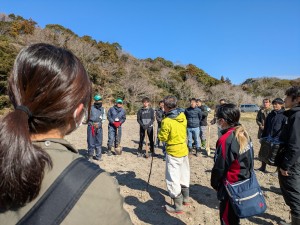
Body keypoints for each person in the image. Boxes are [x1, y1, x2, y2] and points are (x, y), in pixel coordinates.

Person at [0, 43, 132, 224]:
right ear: (78, 112)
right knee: (93, 142)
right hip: (94, 131)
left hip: (102, 126)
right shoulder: (99, 186)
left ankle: (98, 153)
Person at [211, 104, 253, 225]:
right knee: (234, 216)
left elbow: (220, 167)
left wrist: (215, 184)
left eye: (218, 119)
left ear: (222, 121)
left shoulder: (226, 139)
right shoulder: (244, 133)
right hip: (243, 181)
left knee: (227, 218)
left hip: (231, 186)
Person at [158, 96, 190, 214]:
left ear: (166, 106)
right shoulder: (182, 116)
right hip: (184, 150)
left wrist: (160, 131)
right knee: (184, 174)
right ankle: (186, 199)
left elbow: (163, 137)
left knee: (172, 178)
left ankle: (178, 206)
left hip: (173, 151)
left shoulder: (167, 121)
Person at [278, 86, 300, 225]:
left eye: (287, 97)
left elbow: (295, 144)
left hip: (293, 162)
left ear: (297, 99)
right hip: (294, 160)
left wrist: (286, 164)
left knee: (293, 194)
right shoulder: (293, 115)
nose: (285, 100)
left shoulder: (297, 116)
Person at [257, 98, 286, 172]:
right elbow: (266, 126)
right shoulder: (271, 114)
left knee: (277, 154)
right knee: (264, 151)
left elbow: (285, 128)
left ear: (281, 105)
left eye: (276, 104)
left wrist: (281, 137)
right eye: (273, 104)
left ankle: (277, 170)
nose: (274, 105)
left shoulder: (285, 115)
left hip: (278, 138)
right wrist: (263, 136)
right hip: (268, 136)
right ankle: (263, 167)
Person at [87, 94, 106, 161]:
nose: (99, 101)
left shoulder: (103, 109)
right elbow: (86, 118)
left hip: (99, 127)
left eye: (100, 100)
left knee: (99, 141)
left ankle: (98, 156)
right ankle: (90, 156)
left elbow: (104, 118)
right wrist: (91, 123)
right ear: (95, 101)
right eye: (98, 100)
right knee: (91, 141)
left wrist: (99, 124)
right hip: (91, 127)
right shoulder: (90, 108)